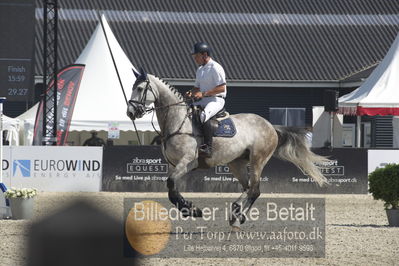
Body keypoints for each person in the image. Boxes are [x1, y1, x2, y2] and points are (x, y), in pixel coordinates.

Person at [186, 42, 227, 157]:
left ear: (204, 55)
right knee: (186, 113)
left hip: (216, 100)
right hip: (204, 99)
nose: (195, 59)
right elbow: (197, 87)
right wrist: (191, 92)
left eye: (196, 56)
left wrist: (203, 94)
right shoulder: (200, 69)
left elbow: (222, 87)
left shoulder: (215, 67)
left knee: (203, 116)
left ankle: (208, 147)